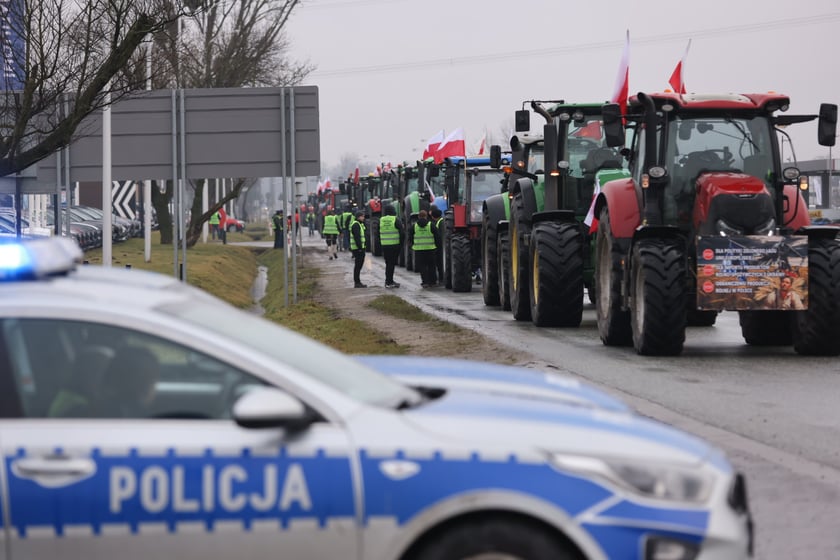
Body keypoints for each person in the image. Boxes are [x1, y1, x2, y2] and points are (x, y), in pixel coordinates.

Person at [411, 209, 439, 287]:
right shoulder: (431, 225)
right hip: (430, 249)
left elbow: (410, 236)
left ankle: (425, 282)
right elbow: (437, 236)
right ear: (426, 216)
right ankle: (432, 281)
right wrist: (437, 246)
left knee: (422, 266)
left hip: (419, 250)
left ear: (419, 217)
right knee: (431, 266)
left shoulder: (414, 226)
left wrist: (413, 245)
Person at [379, 204, 404, 288]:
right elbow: (402, 232)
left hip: (385, 245)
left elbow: (377, 233)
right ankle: (389, 282)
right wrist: (401, 243)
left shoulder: (381, 220)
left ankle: (389, 280)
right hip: (394, 245)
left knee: (388, 263)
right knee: (392, 264)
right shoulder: (395, 219)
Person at [350, 210, 367, 288]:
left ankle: (358, 282)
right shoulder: (356, 225)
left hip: (359, 248)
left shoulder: (359, 224)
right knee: (358, 265)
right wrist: (360, 248)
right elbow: (357, 237)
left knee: (359, 265)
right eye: (362, 216)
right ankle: (357, 282)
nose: (363, 217)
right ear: (358, 217)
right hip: (358, 249)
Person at [430, 206, 444, 285]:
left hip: (439, 247)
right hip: (440, 246)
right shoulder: (442, 221)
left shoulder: (439, 223)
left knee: (439, 264)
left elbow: (439, 236)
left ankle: (441, 278)